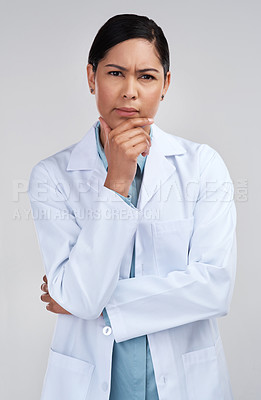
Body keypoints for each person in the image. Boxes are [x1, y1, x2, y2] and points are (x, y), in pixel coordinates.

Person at [28, 13, 237, 400]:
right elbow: (84, 299)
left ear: (166, 84)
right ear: (91, 77)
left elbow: (214, 288)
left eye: (146, 76)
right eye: (114, 73)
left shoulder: (202, 166)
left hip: (184, 384)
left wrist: (83, 299)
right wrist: (117, 182)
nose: (130, 91)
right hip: (93, 384)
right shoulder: (52, 177)